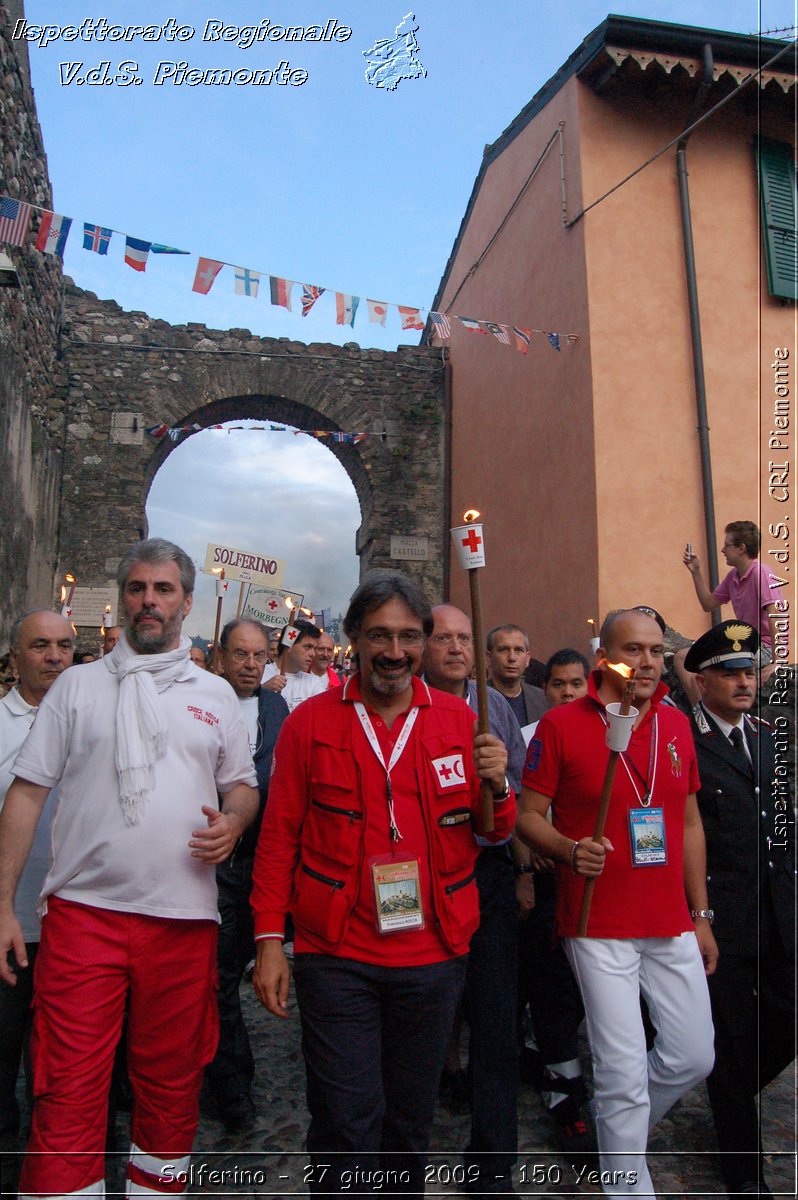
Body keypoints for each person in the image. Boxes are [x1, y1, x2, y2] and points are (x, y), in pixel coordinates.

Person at [0, 538, 259, 1198]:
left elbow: (243, 785)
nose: (150, 600)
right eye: (139, 588)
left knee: (172, 1087)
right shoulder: (77, 687)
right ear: (124, 598)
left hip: (183, 922)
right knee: (65, 1087)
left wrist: (233, 821)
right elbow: (27, 791)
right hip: (85, 918)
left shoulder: (216, 694)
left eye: (163, 589)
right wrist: (3, 902)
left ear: (186, 602)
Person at [250, 571, 515, 1196]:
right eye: (379, 636)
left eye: (407, 636)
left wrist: (498, 787)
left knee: (407, 1123)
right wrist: (267, 941)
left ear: (422, 641)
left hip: (434, 953)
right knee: (345, 1122)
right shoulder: (310, 724)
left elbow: (494, 832)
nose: (394, 652)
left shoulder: (460, 721)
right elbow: (278, 838)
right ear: (353, 639)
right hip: (336, 954)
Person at [517, 609, 717, 1197]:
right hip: (595, 919)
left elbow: (688, 823)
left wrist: (701, 915)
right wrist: (568, 848)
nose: (651, 662)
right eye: (637, 649)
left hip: (669, 917)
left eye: (658, 651)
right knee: (622, 1066)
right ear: (604, 654)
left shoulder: (678, 726)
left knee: (691, 1054)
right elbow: (527, 817)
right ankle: (627, 1184)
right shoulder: (560, 725)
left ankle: (614, 1136)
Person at [685, 621, 795, 1197]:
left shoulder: (770, 739)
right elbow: (688, 829)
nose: (744, 682)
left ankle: (731, 1091)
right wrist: (696, 915)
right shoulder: (686, 741)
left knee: (786, 1015)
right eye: (730, 673)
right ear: (703, 682)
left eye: (749, 672)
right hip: (721, 914)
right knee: (730, 1041)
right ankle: (744, 1175)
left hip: (779, 910)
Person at [421, 604, 526, 1194]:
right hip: (425, 874)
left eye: (464, 637)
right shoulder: (408, 707)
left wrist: (498, 785)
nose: (455, 648)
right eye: (443, 638)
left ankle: (493, 1162)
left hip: (485, 869)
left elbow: (515, 789)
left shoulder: (496, 708)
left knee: (496, 1016)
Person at [204, 618, 289, 1131]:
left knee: (235, 972)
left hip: (261, 863)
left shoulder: (277, 707)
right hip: (212, 859)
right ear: (220, 656)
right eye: (241, 655)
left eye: (260, 655)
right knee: (213, 980)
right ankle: (233, 1086)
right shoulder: (202, 701)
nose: (251, 665)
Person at [0, 612, 74, 1170]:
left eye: (64, 646)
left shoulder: (89, 720)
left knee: (65, 1060)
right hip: (13, 919)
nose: (54, 656)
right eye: (40, 645)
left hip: (75, 923)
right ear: (15, 654)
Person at [516, 649, 590, 1150]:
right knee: (553, 985)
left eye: (576, 684)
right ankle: (562, 1085)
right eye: (559, 684)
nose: (566, 692)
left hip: (597, 884)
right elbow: (520, 809)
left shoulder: (605, 736)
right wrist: (528, 862)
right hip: (549, 877)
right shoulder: (532, 737)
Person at [678, 521, 782, 699]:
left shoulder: (761, 573)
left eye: (726, 545)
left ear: (741, 548)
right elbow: (708, 604)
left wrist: (777, 661)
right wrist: (696, 571)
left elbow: (776, 617)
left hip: (761, 646)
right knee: (681, 657)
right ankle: (700, 715)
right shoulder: (733, 576)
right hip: (740, 643)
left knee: (712, 667)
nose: (722, 550)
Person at [486, 624, 547, 733]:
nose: (512, 658)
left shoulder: (542, 700)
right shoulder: (476, 698)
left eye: (518, 650)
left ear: (527, 659)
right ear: (489, 658)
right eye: (503, 650)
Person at [261, 619, 326, 710]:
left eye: (314, 648)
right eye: (307, 647)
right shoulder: (260, 674)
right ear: (289, 646)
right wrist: (262, 691)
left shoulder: (314, 682)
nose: (313, 654)